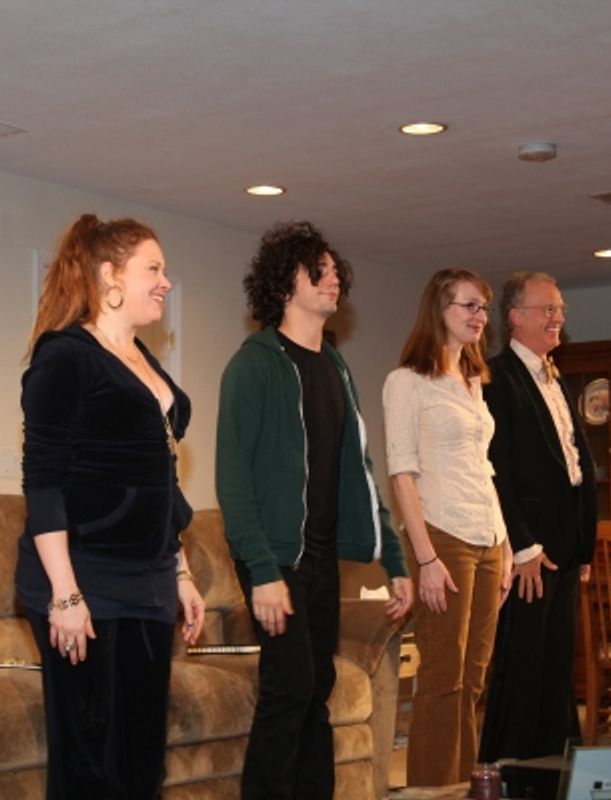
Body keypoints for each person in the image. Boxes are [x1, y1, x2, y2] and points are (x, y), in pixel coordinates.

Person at [216, 220, 413, 800]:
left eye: (334, 273)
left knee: (316, 688)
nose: (333, 282)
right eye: (318, 272)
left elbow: (360, 472)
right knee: (290, 687)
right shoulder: (252, 365)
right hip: (276, 560)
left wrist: (395, 560)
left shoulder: (335, 367)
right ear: (285, 284)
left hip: (323, 560)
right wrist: (263, 572)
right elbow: (233, 483)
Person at [14, 213, 206, 799]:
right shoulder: (65, 355)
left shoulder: (144, 360)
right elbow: (43, 484)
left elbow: (160, 481)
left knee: (141, 761)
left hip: (147, 582)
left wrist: (181, 572)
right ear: (109, 275)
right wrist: (65, 596)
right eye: (154, 268)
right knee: (89, 764)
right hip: (85, 579)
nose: (166, 282)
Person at [381, 268, 512, 786]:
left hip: (487, 537)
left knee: (473, 679)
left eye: (483, 306)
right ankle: (433, 792)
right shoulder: (407, 382)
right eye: (468, 305)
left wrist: (505, 548)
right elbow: (401, 473)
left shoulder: (474, 382)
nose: (479, 315)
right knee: (441, 677)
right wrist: (427, 559)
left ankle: (465, 787)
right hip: (441, 535)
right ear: (439, 311)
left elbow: (483, 467)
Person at [478, 271, 596, 762]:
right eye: (547, 309)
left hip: (566, 549)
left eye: (560, 310)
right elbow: (496, 468)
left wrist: (583, 548)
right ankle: (510, 773)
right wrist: (522, 545)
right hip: (530, 551)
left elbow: (573, 463)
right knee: (522, 667)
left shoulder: (554, 375)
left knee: (555, 668)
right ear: (515, 317)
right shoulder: (496, 376)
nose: (557, 319)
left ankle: (559, 770)